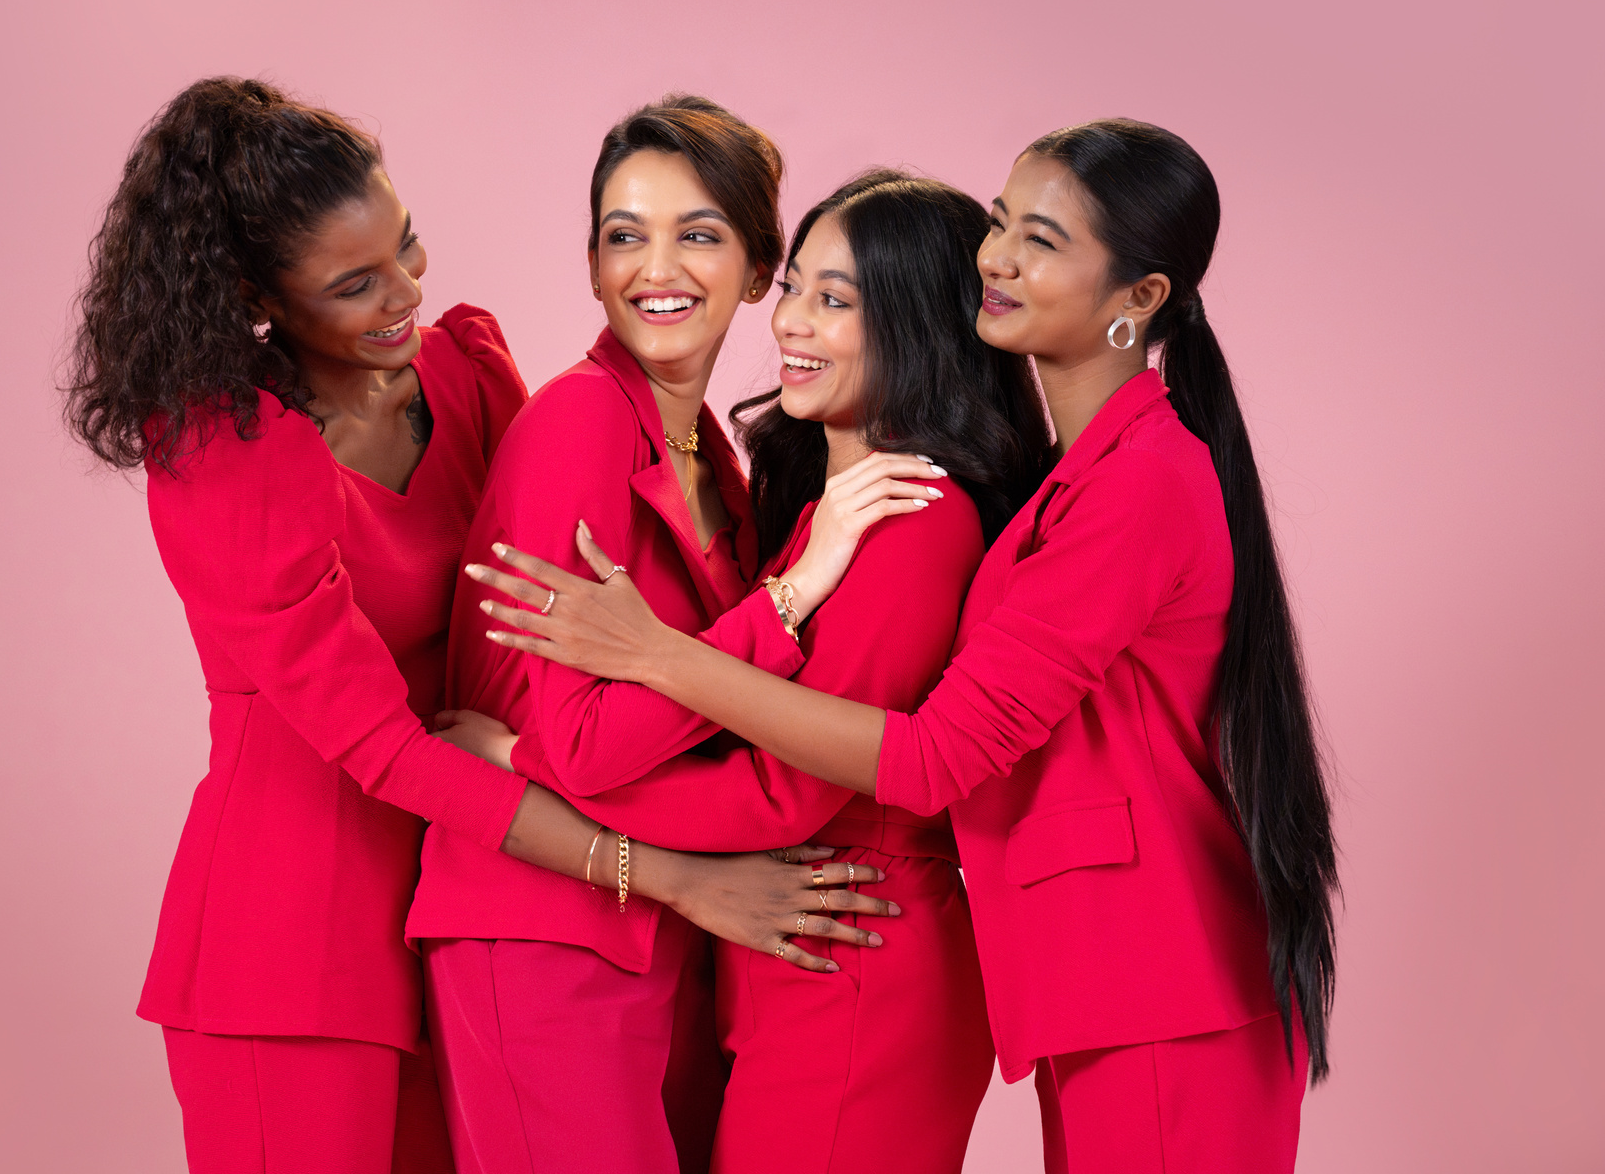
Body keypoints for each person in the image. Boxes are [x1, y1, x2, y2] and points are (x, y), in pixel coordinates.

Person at [64, 78, 903, 1174]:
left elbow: (535, 628)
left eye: (408, 249)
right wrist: (675, 876)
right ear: (254, 293)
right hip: (300, 934)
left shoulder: (463, 374)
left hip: (472, 893)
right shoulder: (229, 452)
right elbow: (384, 749)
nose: (405, 292)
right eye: (356, 284)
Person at [468, 119, 1340, 1174]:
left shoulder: (1094, 487)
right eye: (1005, 223)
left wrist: (630, 684)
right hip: (1089, 976)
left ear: (1140, 299)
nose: (1001, 257)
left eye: (1044, 241)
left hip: (1137, 973)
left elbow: (930, 761)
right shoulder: (1054, 484)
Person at [441, 169, 1049, 1172]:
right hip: (809, 952)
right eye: (797, 290)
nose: (793, 326)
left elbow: (781, 797)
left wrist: (520, 755)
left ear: (918, 324)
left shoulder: (914, 521)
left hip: (854, 950)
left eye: (837, 301)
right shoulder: (830, 510)